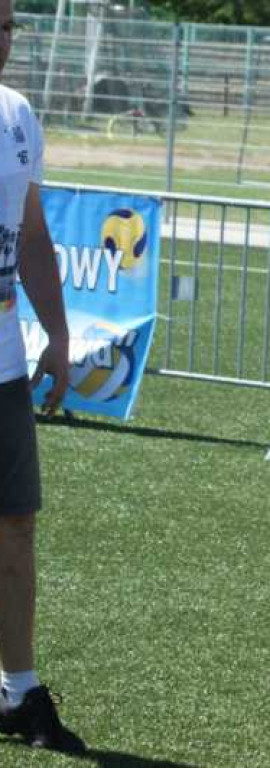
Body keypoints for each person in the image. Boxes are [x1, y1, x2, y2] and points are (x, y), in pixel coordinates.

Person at [0, 0, 85, 753]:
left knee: (16, 525)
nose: (0, 41)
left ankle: (18, 689)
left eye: (6, 26)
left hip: (1, 365)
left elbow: (31, 235)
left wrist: (57, 335)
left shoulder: (18, 114)